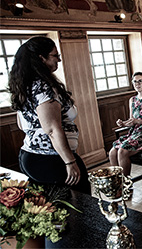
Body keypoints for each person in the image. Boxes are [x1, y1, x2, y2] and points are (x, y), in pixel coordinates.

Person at [8, 36, 90, 194]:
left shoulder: (25, 85)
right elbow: (52, 129)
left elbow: (22, 124)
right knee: (82, 206)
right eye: (55, 55)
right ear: (42, 58)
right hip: (50, 159)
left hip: (30, 155)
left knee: (52, 209)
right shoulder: (43, 87)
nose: (58, 59)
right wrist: (69, 162)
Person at [110, 72, 142, 177]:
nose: (137, 84)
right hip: (136, 132)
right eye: (135, 81)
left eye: (140, 81)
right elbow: (132, 120)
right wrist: (123, 124)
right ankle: (117, 182)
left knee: (122, 151)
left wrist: (138, 122)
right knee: (112, 152)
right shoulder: (132, 100)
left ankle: (126, 183)